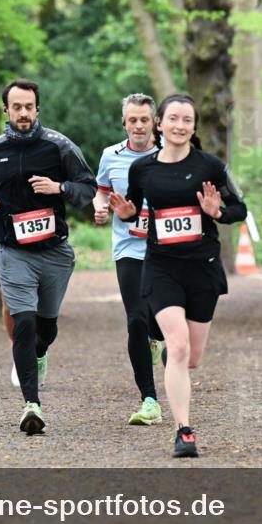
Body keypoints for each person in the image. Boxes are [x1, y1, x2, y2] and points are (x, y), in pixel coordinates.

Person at [110, 93, 247, 457]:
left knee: (191, 357)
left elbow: (240, 208)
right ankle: (184, 431)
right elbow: (134, 209)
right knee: (180, 344)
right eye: (173, 119)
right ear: (160, 123)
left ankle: (171, 357)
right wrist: (125, 213)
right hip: (161, 266)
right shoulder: (143, 169)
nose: (180, 126)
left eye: (187, 120)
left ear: (194, 126)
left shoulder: (211, 167)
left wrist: (218, 213)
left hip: (201, 268)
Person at [0, 78, 97, 435]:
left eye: (29, 107)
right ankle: (32, 405)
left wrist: (60, 188)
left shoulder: (59, 146)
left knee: (46, 327)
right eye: (16, 107)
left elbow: (87, 187)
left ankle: (40, 354)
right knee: (23, 323)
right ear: (6, 111)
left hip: (54, 252)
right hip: (13, 251)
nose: (23, 113)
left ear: (37, 109)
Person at [93, 93, 167, 426]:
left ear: (155, 123)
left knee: (160, 324)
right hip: (129, 249)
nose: (138, 126)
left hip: (167, 250)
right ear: (124, 122)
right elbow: (102, 188)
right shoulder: (111, 155)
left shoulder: (170, 155)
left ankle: (158, 339)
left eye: (144, 120)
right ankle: (149, 400)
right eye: (132, 120)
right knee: (135, 319)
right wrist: (100, 205)